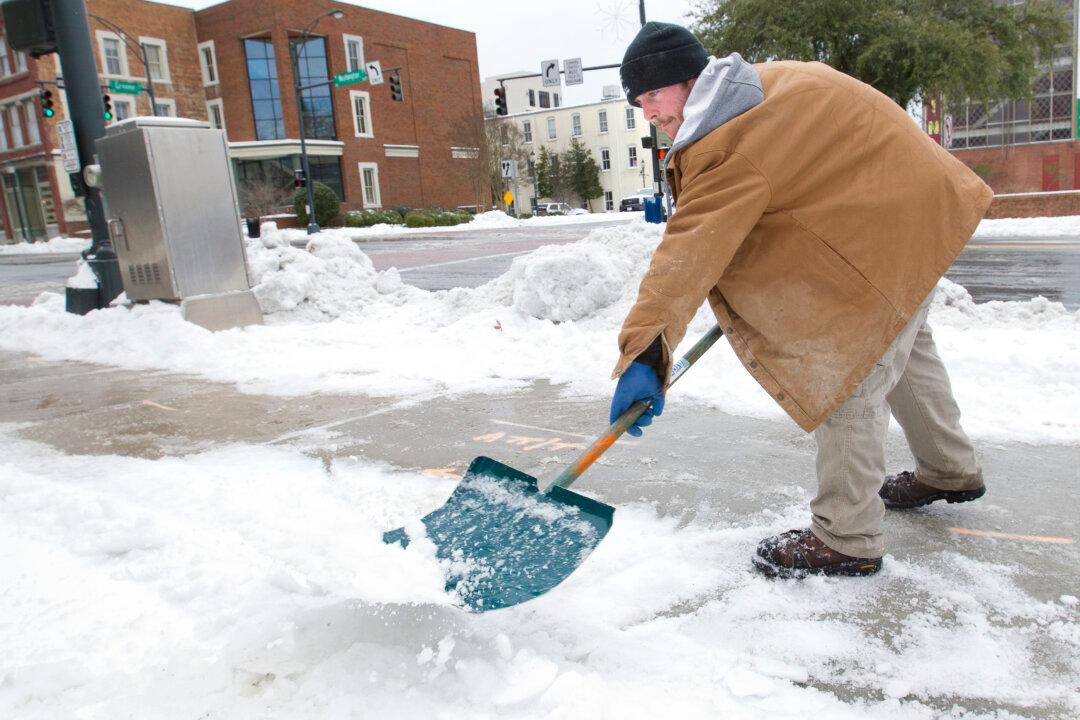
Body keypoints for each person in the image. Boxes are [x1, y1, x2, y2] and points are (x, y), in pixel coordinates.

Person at [608, 21, 991, 579]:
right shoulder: (764, 85)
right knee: (904, 343)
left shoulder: (729, 141)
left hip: (885, 226)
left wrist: (645, 351)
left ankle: (847, 535)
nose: (648, 112)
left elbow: (687, 254)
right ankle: (949, 469)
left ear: (686, 79)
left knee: (850, 368)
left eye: (651, 96)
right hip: (918, 208)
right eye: (638, 102)